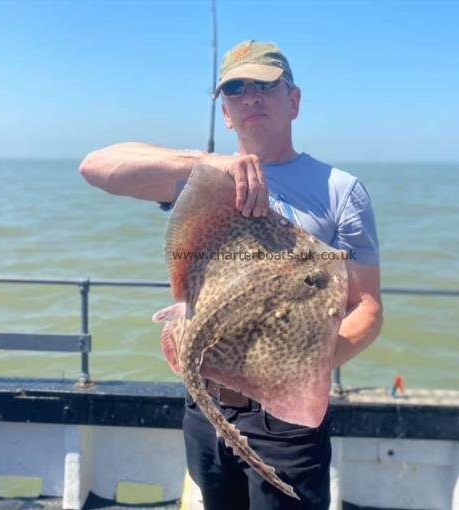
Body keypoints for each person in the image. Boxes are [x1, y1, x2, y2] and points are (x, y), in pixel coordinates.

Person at [79, 40, 383, 510]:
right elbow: (95, 167)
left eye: (266, 85)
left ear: (294, 100)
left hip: (285, 420)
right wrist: (202, 164)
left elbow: (365, 307)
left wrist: (295, 373)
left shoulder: (340, 191)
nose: (251, 97)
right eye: (236, 89)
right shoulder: (204, 182)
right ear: (225, 112)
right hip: (204, 405)